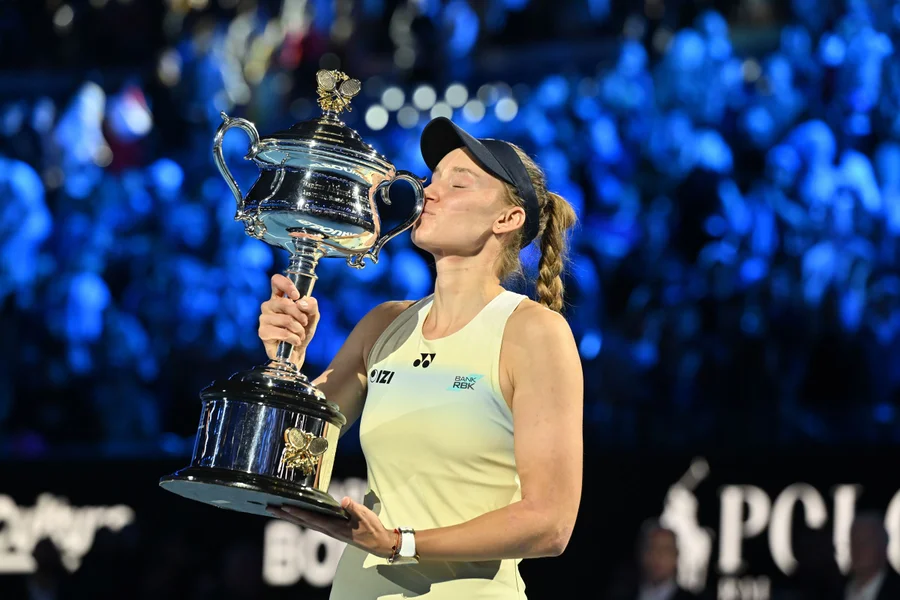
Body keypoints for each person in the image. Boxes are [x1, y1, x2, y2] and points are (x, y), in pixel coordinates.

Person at [259, 116, 583, 599]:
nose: (430, 192)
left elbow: (550, 523)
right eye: (432, 180)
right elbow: (288, 457)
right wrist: (285, 360)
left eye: (459, 183)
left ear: (507, 219)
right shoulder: (383, 324)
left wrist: (399, 543)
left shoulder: (534, 332)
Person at [843, 512, 900, 600]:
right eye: (854, 542)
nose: (857, 549)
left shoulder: (896, 592)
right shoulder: (835, 589)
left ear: (882, 546)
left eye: (865, 542)